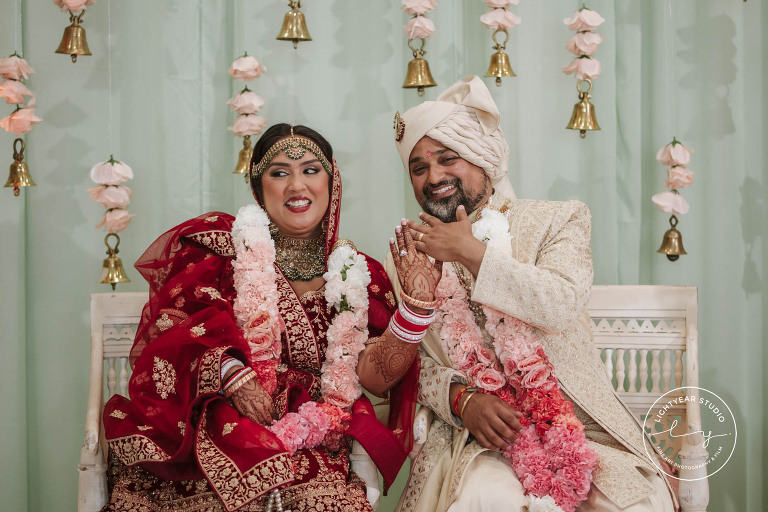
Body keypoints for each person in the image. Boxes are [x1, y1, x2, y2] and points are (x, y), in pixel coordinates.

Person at [102, 123, 439, 512]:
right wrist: (231, 373)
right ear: (258, 188)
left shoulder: (360, 276)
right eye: (280, 173)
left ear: (332, 183)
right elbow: (173, 332)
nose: (297, 185)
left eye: (311, 170)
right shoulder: (222, 255)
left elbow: (374, 378)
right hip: (217, 428)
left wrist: (415, 310)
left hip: (315, 439)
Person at [386, 76, 678, 512]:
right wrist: (461, 400)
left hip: (582, 427)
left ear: (482, 158)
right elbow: (407, 363)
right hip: (474, 438)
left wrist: (470, 252)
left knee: (633, 506)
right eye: (419, 168)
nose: (435, 177)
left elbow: (560, 304)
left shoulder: (557, 221)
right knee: (486, 499)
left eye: (449, 159)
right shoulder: (406, 255)